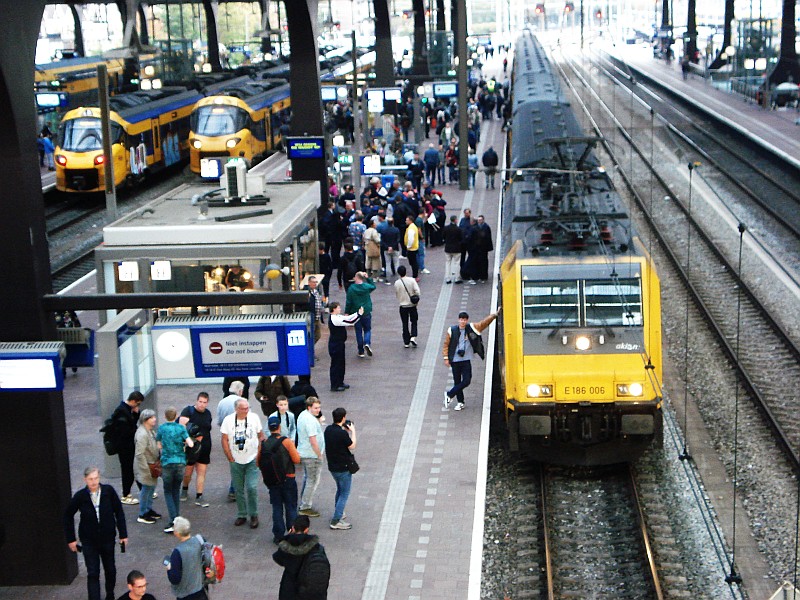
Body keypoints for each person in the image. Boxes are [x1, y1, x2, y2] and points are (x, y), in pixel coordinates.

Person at [64, 466, 128, 600]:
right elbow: (68, 515)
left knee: (110, 569)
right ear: (85, 480)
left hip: (107, 538)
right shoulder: (81, 496)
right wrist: (71, 539)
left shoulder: (108, 492)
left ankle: (110, 594)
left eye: (96, 478)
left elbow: (119, 512)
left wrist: (123, 534)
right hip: (89, 540)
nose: (93, 482)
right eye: (90, 479)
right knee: (93, 572)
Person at [442, 309, 500, 410]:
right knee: (457, 382)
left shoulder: (472, 328)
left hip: (466, 360)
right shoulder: (452, 330)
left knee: (467, 380)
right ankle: (460, 402)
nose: (463, 321)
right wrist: (446, 358)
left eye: (464, 320)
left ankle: (449, 394)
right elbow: (446, 344)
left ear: (467, 320)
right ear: (458, 320)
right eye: (461, 319)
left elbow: (484, 323)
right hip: (455, 360)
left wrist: (494, 315)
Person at [220, 398, 264, 528]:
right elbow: (224, 439)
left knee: (251, 487)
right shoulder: (228, 420)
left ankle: (254, 514)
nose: (246, 411)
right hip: (236, 460)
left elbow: (261, 436)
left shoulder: (254, 418)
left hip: (252, 459)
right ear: (236, 409)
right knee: (238, 489)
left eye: (247, 408)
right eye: (243, 409)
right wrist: (229, 456)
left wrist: (259, 455)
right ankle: (242, 513)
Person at [262, 415, 302, 543]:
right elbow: (296, 460)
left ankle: (278, 535)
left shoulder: (264, 444)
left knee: (277, 507)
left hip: (273, 481)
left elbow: (258, 462)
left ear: (269, 428)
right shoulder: (286, 442)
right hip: (288, 478)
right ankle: (292, 532)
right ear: (279, 427)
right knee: (291, 506)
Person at [273, 515, 330, 600]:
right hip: (308, 590)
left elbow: (278, 558)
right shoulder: (315, 546)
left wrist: (288, 537)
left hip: (290, 588)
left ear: (293, 528)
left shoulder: (287, 544)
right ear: (306, 529)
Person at [157, 407, 194, 533]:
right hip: (180, 462)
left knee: (168, 491)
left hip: (167, 462)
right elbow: (191, 444)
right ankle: (177, 517)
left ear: (165, 416)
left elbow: (159, 445)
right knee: (176, 490)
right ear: (176, 416)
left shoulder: (162, 428)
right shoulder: (181, 428)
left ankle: (173, 519)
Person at [324, 408, 357, 530]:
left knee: (339, 490)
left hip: (333, 467)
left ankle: (339, 512)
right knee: (344, 493)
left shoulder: (328, 430)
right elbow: (352, 446)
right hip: (343, 468)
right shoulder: (342, 434)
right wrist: (353, 431)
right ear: (343, 418)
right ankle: (336, 520)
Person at [110, 390, 144, 505]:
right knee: (127, 470)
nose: (138, 406)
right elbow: (127, 430)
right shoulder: (121, 412)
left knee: (133, 468)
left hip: (128, 445)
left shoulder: (126, 410)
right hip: (124, 447)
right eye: (138, 403)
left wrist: (136, 414)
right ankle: (126, 494)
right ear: (133, 401)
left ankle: (142, 489)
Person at [179, 393, 213, 508]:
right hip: (191, 447)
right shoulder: (188, 411)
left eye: (204, 402)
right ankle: (184, 488)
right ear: (196, 401)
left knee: (201, 472)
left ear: (207, 403)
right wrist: (188, 440)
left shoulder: (208, 413)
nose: (202, 404)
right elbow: (181, 427)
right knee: (188, 472)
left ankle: (199, 496)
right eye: (200, 402)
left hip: (205, 446)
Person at [296, 397, 325, 517]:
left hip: (304, 452)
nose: (318, 410)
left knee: (308, 478)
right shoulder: (310, 421)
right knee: (312, 481)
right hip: (311, 455)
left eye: (319, 408)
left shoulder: (303, 415)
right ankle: (305, 506)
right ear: (309, 407)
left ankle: (304, 499)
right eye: (316, 408)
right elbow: (313, 440)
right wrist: (319, 455)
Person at [166, 517, 207, 600]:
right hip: (200, 588)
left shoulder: (177, 552)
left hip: (185, 594)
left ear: (177, 533)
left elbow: (175, 579)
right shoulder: (200, 540)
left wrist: (169, 569)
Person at [134, 409, 162, 525]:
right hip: (146, 466)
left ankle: (148, 509)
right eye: (152, 418)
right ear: (145, 420)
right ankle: (142, 513)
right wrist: (145, 470)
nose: (154, 419)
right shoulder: (142, 434)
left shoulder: (150, 431)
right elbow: (139, 454)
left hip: (152, 465)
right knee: (146, 490)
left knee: (151, 489)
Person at [217, 380, 244, 501]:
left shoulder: (222, 402)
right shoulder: (242, 402)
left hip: (227, 436)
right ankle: (234, 489)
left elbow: (219, 421)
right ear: (240, 391)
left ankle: (234, 489)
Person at [327, 303, 363, 391]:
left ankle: (340, 382)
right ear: (334, 309)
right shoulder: (334, 319)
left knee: (341, 363)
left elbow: (348, 318)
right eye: (338, 308)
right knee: (336, 365)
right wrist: (359, 315)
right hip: (336, 344)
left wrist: (356, 314)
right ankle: (335, 385)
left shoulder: (337, 316)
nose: (340, 309)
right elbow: (350, 322)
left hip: (339, 343)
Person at [345, 271, 376, 358]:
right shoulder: (366, 287)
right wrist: (368, 278)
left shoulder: (351, 288)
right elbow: (373, 286)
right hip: (366, 311)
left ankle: (361, 351)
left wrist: (347, 312)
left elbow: (349, 301)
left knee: (358, 331)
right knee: (367, 329)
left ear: (356, 278)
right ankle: (367, 343)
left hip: (356, 312)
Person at [394, 265, 420, 348]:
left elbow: (397, 293)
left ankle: (406, 341)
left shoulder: (397, 283)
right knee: (414, 321)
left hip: (403, 305)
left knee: (404, 323)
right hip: (412, 305)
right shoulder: (411, 280)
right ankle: (413, 336)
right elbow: (417, 291)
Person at [467, 214, 493, 283]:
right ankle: (478, 275)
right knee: (477, 262)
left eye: (480, 220)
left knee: (483, 262)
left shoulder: (486, 227)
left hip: (483, 248)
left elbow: (488, 238)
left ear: (483, 220)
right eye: (478, 220)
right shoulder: (476, 228)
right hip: (477, 248)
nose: (479, 221)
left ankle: (483, 276)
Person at [443, 215, 464, 284]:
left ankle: (448, 278)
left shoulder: (446, 228)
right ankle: (457, 278)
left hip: (448, 248)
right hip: (456, 248)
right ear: (455, 220)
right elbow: (461, 238)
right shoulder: (458, 229)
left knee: (448, 263)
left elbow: (443, 237)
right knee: (457, 263)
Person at [381, 217, 401, 284]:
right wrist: (392, 247)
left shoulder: (384, 230)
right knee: (396, 263)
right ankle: (398, 278)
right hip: (395, 249)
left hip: (386, 249)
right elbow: (398, 240)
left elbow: (382, 241)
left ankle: (388, 279)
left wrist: (388, 247)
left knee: (388, 264)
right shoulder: (396, 230)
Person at [405, 215, 420, 279]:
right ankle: (415, 275)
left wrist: (408, 246)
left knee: (413, 263)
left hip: (412, 248)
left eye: (407, 220)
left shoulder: (411, 228)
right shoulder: (413, 227)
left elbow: (411, 239)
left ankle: (415, 275)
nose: (406, 221)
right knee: (414, 262)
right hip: (414, 247)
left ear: (410, 221)